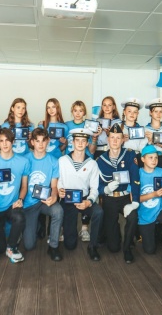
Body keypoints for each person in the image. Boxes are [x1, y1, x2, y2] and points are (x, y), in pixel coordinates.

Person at [96, 124, 140, 263]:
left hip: (125, 197)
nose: (115, 141)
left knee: (133, 216)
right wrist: (105, 189)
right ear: (108, 139)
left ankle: (127, 248)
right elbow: (96, 185)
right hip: (109, 200)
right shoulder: (100, 160)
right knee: (113, 247)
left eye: (118, 138)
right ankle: (116, 238)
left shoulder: (130, 155)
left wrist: (135, 202)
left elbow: (135, 179)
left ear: (123, 140)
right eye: (112, 137)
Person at [0, 128, 29, 263]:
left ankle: (12, 247)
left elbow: (24, 186)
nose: (4, 144)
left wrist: (20, 199)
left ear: (13, 142)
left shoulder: (23, 161)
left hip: (11, 205)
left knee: (19, 217)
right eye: (1, 141)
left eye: (7, 140)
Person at [58, 128, 103, 261]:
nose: (80, 143)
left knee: (98, 212)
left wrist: (89, 201)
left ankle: (93, 246)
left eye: (83, 141)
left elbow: (95, 188)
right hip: (67, 198)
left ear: (87, 143)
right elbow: (58, 180)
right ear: (72, 142)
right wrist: (60, 189)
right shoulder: (62, 160)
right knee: (70, 245)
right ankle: (67, 233)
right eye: (77, 140)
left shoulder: (92, 163)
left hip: (84, 198)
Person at [23, 128, 64, 261]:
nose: (40, 144)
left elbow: (54, 186)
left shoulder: (53, 161)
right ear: (32, 142)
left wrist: (54, 197)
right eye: (37, 141)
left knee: (58, 211)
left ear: (48, 141)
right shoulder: (25, 160)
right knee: (29, 245)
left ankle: (53, 246)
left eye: (43, 141)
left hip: (44, 201)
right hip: (29, 204)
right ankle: (38, 224)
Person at [65, 100, 99, 241]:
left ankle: (84, 228)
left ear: (84, 112)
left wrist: (95, 139)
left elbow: (92, 149)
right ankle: (66, 228)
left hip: (86, 161)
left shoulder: (89, 125)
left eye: (81, 110)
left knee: (85, 193)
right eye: (75, 110)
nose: (78, 113)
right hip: (71, 161)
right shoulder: (66, 125)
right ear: (72, 111)